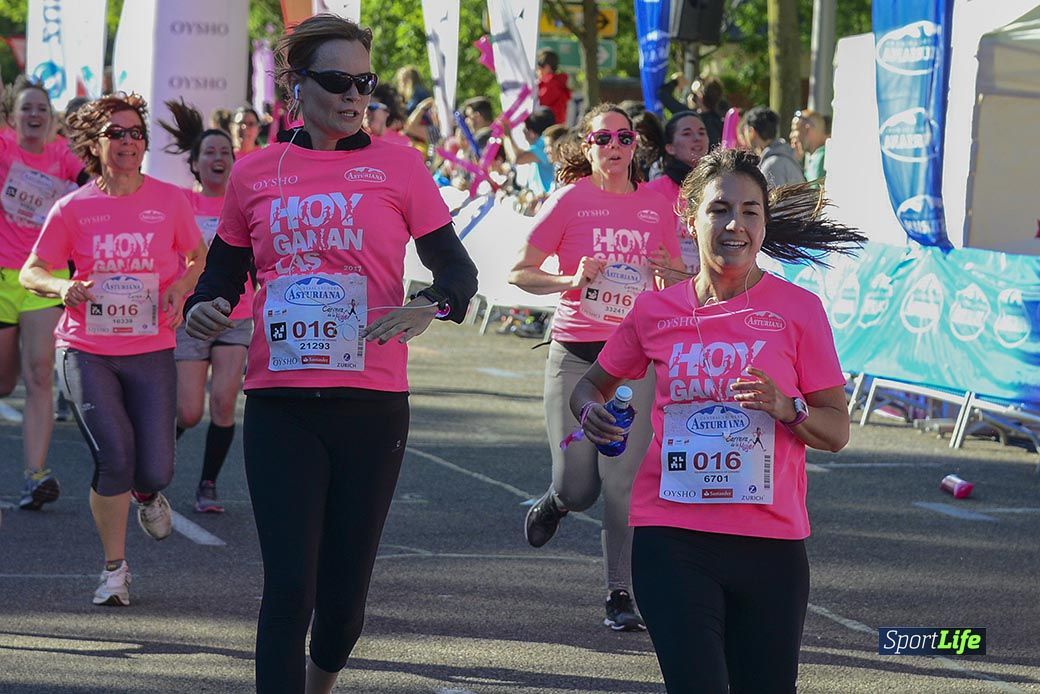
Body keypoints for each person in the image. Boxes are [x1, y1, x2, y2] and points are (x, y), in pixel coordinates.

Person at [182, 14, 477, 693]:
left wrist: (428, 306)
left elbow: (458, 275)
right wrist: (207, 305)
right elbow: (223, 276)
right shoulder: (255, 173)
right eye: (338, 80)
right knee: (290, 587)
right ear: (297, 85)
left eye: (364, 82)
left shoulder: (398, 164)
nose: (353, 95)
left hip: (371, 407)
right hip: (282, 404)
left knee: (343, 605)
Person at [570, 147, 865, 692]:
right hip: (672, 536)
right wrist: (590, 412)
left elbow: (837, 429)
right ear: (690, 215)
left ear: (764, 223)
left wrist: (788, 407)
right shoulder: (656, 311)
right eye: (719, 209)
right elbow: (592, 385)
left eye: (751, 211)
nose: (735, 224)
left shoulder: (798, 310)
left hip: (770, 545)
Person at [20, 92, 208, 606]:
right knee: (115, 458)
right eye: (116, 134)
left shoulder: (170, 201)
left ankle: (149, 495)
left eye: (135, 134)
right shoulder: (73, 208)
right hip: (86, 349)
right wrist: (61, 289)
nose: (128, 143)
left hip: (150, 346)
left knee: (154, 469)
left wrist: (180, 287)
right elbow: (30, 271)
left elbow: (198, 256)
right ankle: (114, 570)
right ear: (95, 144)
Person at [510, 103, 682, 632]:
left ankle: (619, 592)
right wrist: (571, 280)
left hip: (633, 360)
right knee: (581, 487)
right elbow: (520, 272)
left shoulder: (656, 206)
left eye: (624, 137)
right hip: (576, 356)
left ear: (636, 148)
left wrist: (666, 271)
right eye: (603, 137)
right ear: (587, 147)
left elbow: (678, 286)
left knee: (621, 485)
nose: (614, 146)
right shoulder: (570, 200)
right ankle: (558, 501)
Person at [159, 99, 252, 514]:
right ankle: (152, 467)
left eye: (225, 152)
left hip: (238, 313)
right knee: (190, 411)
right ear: (195, 164)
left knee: (224, 403)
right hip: (191, 318)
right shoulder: (181, 203)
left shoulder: (247, 203)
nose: (219, 158)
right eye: (209, 153)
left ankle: (207, 485)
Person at [0, 76, 86, 511]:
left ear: (52, 119)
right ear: (13, 116)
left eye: (41, 109)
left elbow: (92, 178)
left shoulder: (61, 155)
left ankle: (35, 476)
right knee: (4, 381)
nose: (34, 115)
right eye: (26, 108)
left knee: (38, 374)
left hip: (42, 276)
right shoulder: (4, 148)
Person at [643, 111, 710, 273]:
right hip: (668, 284)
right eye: (687, 133)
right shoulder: (654, 191)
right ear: (670, 148)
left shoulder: (718, 188)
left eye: (702, 132)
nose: (697, 138)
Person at [742, 106, 805, 189]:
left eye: (744, 130)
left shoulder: (773, 165)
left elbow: (773, 201)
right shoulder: (784, 157)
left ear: (752, 131)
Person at [790, 108, 829, 184]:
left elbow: (812, 194)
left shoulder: (821, 158)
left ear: (807, 130)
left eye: (795, 130)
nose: (791, 135)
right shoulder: (818, 156)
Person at [536, 49, 571, 127]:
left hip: (547, 128)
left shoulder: (550, 84)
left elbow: (539, 103)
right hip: (555, 127)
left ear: (547, 67)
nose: (537, 70)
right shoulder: (558, 82)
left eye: (540, 66)